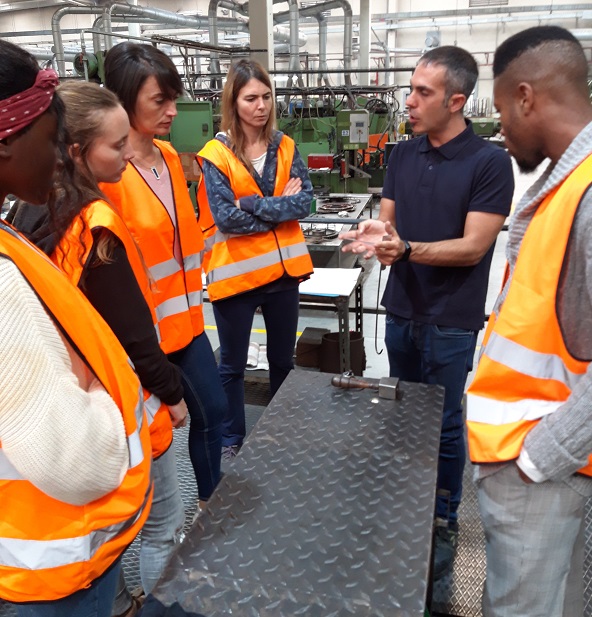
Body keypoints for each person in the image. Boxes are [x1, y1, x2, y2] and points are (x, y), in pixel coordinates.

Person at [12, 81, 188, 617]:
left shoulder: (27, 216)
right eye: (116, 145)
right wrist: (173, 394)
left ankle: (118, 604)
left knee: (99, 541)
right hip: (118, 411)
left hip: (65, 433)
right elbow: (133, 336)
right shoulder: (97, 225)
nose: (129, 154)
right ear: (75, 152)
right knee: (163, 523)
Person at [341, 46, 514, 579]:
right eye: (410, 90)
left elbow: (474, 247)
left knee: (443, 423)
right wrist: (379, 233)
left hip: (449, 318)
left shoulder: (488, 163)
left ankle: (442, 520)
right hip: (401, 310)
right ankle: (405, 505)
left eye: (423, 92)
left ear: (456, 101)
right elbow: (390, 224)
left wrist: (408, 249)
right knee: (404, 414)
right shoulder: (402, 154)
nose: (409, 102)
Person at [0, 40, 152, 617]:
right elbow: (74, 459)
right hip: (53, 561)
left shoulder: (11, 235)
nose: (59, 155)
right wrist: (96, 389)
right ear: (7, 139)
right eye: (52, 137)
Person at [466, 26, 592, 616]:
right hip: (531, 461)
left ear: (525, 97)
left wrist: (543, 456)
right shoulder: (563, 185)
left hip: (541, 466)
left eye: (500, 112)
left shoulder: (587, 194)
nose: (501, 129)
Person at [101, 42, 226, 503]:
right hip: (144, 338)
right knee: (153, 444)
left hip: (188, 323)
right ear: (124, 100)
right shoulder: (109, 178)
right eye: (160, 100)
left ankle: (210, 506)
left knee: (213, 412)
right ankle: (156, 531)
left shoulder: (172, 158)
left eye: (173, 99)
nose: (173, 111)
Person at [196, 59, 313, 459]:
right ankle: (232, 439)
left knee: (282, 361)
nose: (260, 106)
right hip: (237, 276)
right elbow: (225, 218)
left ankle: (280, 431)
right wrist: (279, 208)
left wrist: (251, 204)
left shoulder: (285, 146)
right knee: (232, 367)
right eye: (250, 98)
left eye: (266, 97)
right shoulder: (216, 155)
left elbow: (305, 202)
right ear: (234, 101)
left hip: (282, 276)